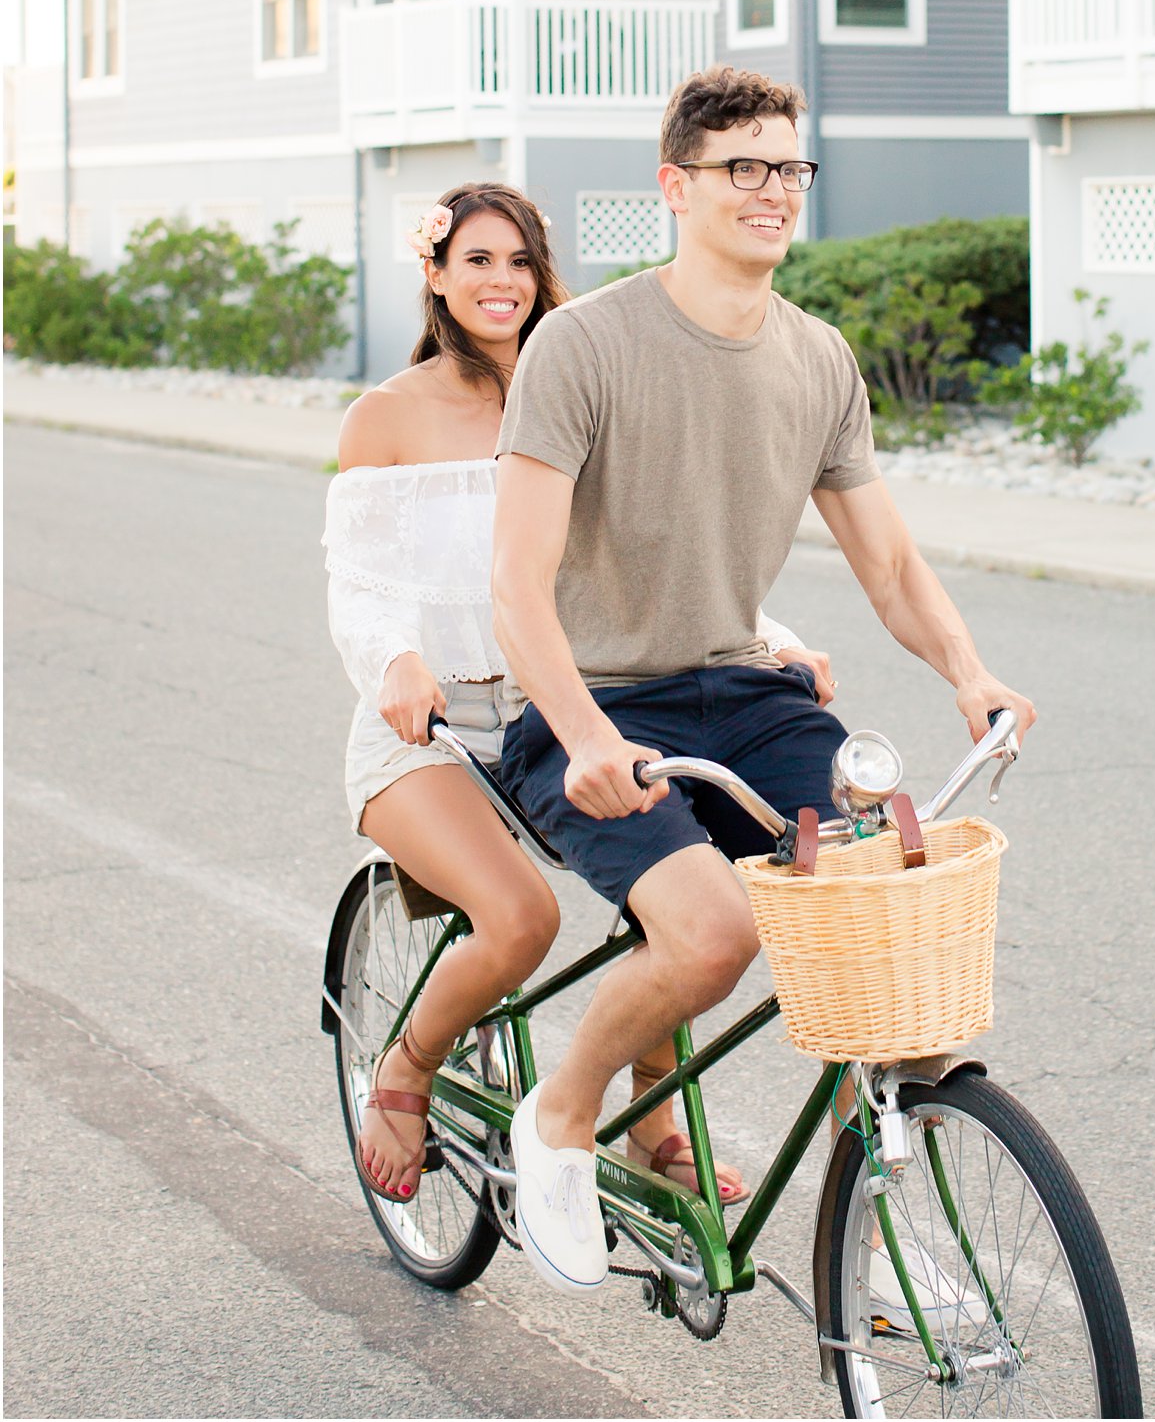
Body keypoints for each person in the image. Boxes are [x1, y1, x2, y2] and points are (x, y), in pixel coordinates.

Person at [491, 66, 1039, 1298]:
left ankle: (897, 1237)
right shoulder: (583, 344)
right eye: (742, 166)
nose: (772, 190)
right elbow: (516, 587)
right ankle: (562, 1118)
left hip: (742, 693)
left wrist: (969, 671)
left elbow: (886, 561)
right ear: (675, 187)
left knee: (884, 925)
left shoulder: (817, 358)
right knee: (716, 933)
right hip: (588, 708)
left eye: (788, 167)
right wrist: (580, 733)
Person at [326, 180, 829, 1203]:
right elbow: (360, 581)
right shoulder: (387, 415)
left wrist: (769, 639)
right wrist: (395, 664)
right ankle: (408, 1064)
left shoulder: (590, 384)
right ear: (434, 274)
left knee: (688, 879)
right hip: (435, 729)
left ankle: (648, 1119)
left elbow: (656, 559)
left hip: (582, 705)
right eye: (475, 260)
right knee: (518, 922)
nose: (500, 282)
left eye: (518, 261)